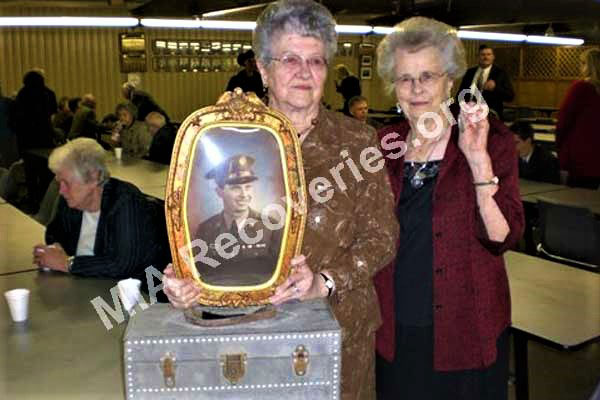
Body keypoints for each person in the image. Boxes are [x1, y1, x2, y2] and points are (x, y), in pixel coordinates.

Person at [162, 1, 399, 399]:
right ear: (263, 67)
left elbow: (383, 236)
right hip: (245, 334)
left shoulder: (358, 142)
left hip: (339, 333)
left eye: (317, 61)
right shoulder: (221, 138)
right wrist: (186, 278)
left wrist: (324, 281)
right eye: (290, 59)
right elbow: (199, 233)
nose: (305, 72)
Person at [374, 17, 524, 400]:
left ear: (450, 81)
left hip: (467, 332)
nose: (417, 88)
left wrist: (477, 162)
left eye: (428, 75)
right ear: (393, 86)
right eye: (405, 78)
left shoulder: (490, 140)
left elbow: (502, 237)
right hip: (395, 331)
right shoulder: (382, 144)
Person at [33, 138, 169, 279]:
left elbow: (122, 265)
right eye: (59, 182)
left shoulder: (126, 201)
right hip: (84, 283)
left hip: (129, 293)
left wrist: (67, 263)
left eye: (66, 183)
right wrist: (55, 248)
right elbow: (54, 232)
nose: (61, 190)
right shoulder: (72, 201)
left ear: (94, 177)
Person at [193, 154, 282, 286]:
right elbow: (201, 274)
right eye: (236, 188)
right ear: (219, 192)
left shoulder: (271, 226)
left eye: (248, 187)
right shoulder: (206, 229)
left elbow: (280, 274)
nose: (244, 195)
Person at [12, 69, 58, 212]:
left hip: (27, 142)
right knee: (46, 174)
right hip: (45, 140)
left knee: (31, 175)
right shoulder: (49, 94)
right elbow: (52, 116)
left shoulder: (22, 94)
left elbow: (16, 120)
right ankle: (47, 204)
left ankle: (33, 203)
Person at [556, 48, 600, 189]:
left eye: (582, 63)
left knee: (575, 200)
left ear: (588, 65)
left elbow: (563, 121)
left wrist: (559, 146)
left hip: (580, 156)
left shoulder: (581, 87)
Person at [458, 44, 514, 120]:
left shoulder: (500, 73)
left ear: (493, 57)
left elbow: (510, 96)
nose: (485, 57)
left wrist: (495, 88)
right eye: (483, 54)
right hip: (469, 116)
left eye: (488, 54)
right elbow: (460, 93)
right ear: (478, 57)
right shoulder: (470, 72)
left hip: (490, 115)